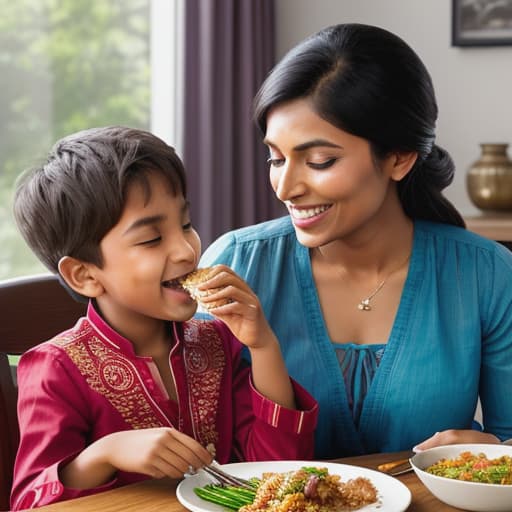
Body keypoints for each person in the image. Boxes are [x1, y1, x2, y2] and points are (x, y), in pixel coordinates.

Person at [200, 23, 512, 459]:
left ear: (400, 158)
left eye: (319, 160)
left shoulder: (487, 275)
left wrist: (495, 452)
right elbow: (195, 438)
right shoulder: (237, 264)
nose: (285, 187)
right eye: (275, 158)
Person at [10, 126, 318, 510]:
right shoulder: (55, 368)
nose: (187, 250)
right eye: (152, 239)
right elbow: (28, 501)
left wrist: (264, 345)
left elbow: (277, 473)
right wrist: (106, 453)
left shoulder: (216, 341)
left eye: (185, 224)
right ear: (85, 275)